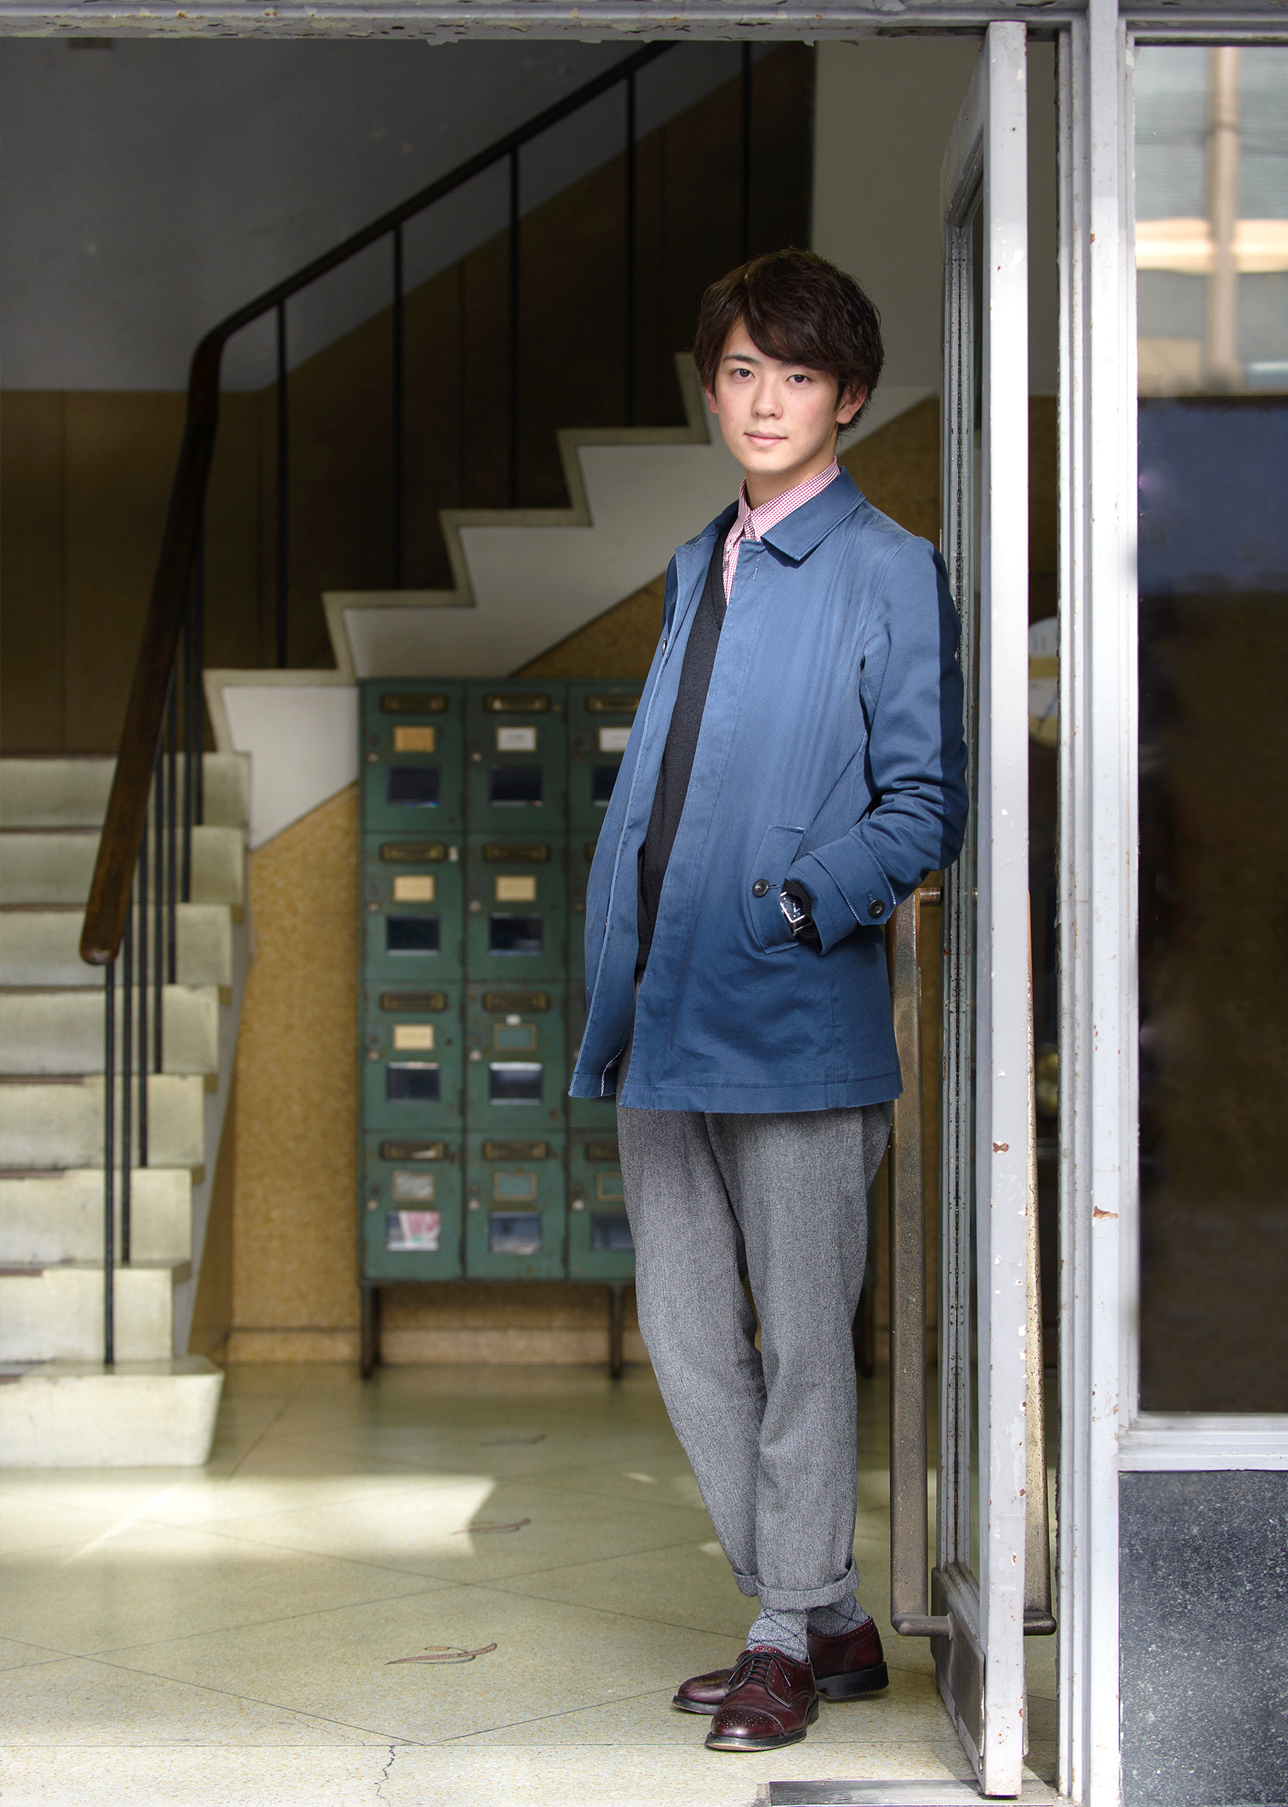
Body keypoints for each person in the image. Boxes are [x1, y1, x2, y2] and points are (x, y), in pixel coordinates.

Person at [569, 248, 969, 1755]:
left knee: (804, 1343)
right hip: (662, 1008)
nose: (764, 400)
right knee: (685, 1335)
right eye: (741, 370)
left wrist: (798, 903)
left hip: (794, 1017)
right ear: (714, 385)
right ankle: (823, 1612)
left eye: (797, 375)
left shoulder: (888, 569)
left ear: (848, 398)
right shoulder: (702, 560)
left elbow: (924, 803)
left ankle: (783, 1633)